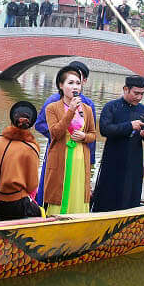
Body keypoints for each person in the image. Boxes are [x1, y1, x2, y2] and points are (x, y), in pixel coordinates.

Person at [35, 61, 97, 205]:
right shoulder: (53, 102)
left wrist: (90, 159)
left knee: (77, 190)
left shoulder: (88, 105)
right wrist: (62, 136)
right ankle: (42, 208)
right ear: (61, 84)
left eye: (78, 81)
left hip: (80, 153)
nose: (74, 86)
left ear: (84, 82)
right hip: (58, 149)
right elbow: (40, 124)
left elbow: (92, 134)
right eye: (70, 81)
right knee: (52, 185)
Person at [91, 76, 144, 212]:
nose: (139, 97)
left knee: (130, 191)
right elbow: (105, 130)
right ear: (126, 89)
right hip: (113, 157)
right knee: (108, 191)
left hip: (134, 158)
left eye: (142, 94)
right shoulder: (111, 107)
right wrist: (130, 126)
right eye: (136, 93)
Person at [0, 101, 42, 220]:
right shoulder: (31, 148)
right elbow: (32, 185)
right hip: (15, 204)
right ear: (31, 124)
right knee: (40, 212)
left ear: (12, 120)